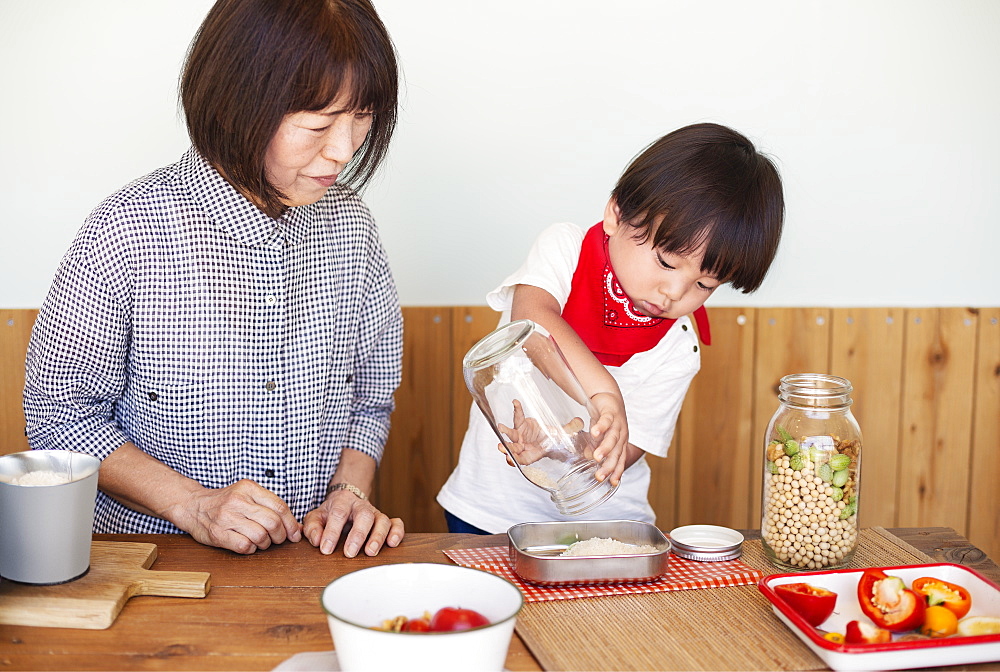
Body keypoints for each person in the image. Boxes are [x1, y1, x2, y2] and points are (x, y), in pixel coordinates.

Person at [23, 0, 405, 557]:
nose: (344, 150)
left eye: (363, 117)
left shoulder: (352, 226)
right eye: (319, 123)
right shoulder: (127, 230)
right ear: (238, 103)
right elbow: (60, 419)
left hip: (305, 564)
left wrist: (349, 491)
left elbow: (371, 399)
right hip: (154, 567)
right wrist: (193, 505)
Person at [437, 123, 785, 533]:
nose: (674, 292)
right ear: (615, 215)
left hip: (607, 527)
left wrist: (556, 445)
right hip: (489, 513)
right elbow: (531, 322)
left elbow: (621, 452)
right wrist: (603, 393)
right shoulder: (565, 250)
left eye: (705, 284)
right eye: (667, 262)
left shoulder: (678, 346)